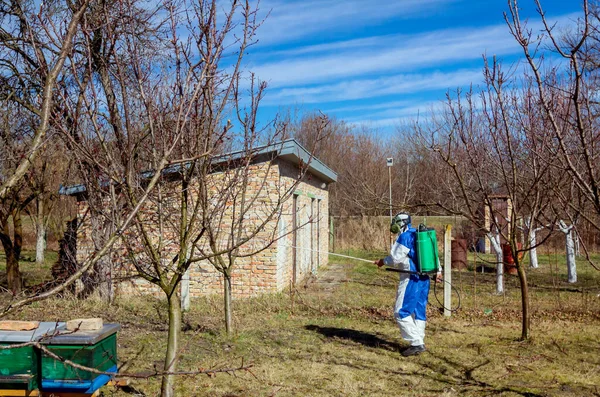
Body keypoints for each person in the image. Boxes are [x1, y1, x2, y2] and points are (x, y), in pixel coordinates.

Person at [374, 212, 440, 357]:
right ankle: (419, 339)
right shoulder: (420, 235)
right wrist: (438, 272)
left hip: (411, 278)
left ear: (400, 223)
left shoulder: (404, 237)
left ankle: (416, 343)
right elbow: (433, 255)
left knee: (401, 312)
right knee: (418, 311)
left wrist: (382, 261)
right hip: (425, 279)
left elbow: (395, 258)